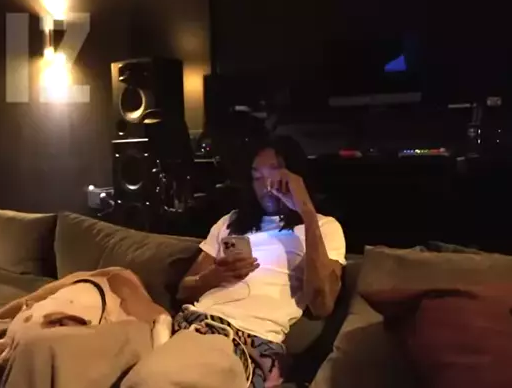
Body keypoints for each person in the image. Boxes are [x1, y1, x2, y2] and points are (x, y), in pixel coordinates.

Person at [122, 136, 346, 388]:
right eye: (257, 177)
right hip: (192, 322)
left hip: (242, 338)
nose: (266, 186)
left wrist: (306, 210)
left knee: (151, 380)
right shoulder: (230, 222)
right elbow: (184, 289)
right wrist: (212, 278)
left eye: (274, 174)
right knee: (99, 352)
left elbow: (321, 304)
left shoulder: (324, 228)